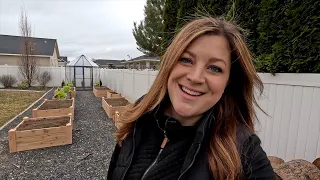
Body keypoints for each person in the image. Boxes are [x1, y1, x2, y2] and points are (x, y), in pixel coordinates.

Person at [107, 17, 276, 180]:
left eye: (215, 68)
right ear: (169, 64)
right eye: (186, 60)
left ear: (228, 81)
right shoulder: (139, 116)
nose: (195, 77)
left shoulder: (244, 150)